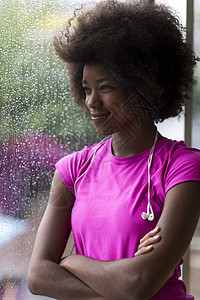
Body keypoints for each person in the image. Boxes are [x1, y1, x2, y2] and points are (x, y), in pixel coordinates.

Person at [27, 1, 200, 299]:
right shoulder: (73, 170)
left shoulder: (182, 167)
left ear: (142, 86)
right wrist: (120, 285)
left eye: (105, 87)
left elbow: (138, 283)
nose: (91, 102)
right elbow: (38, 276)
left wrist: (71, 261)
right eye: (86, 88)